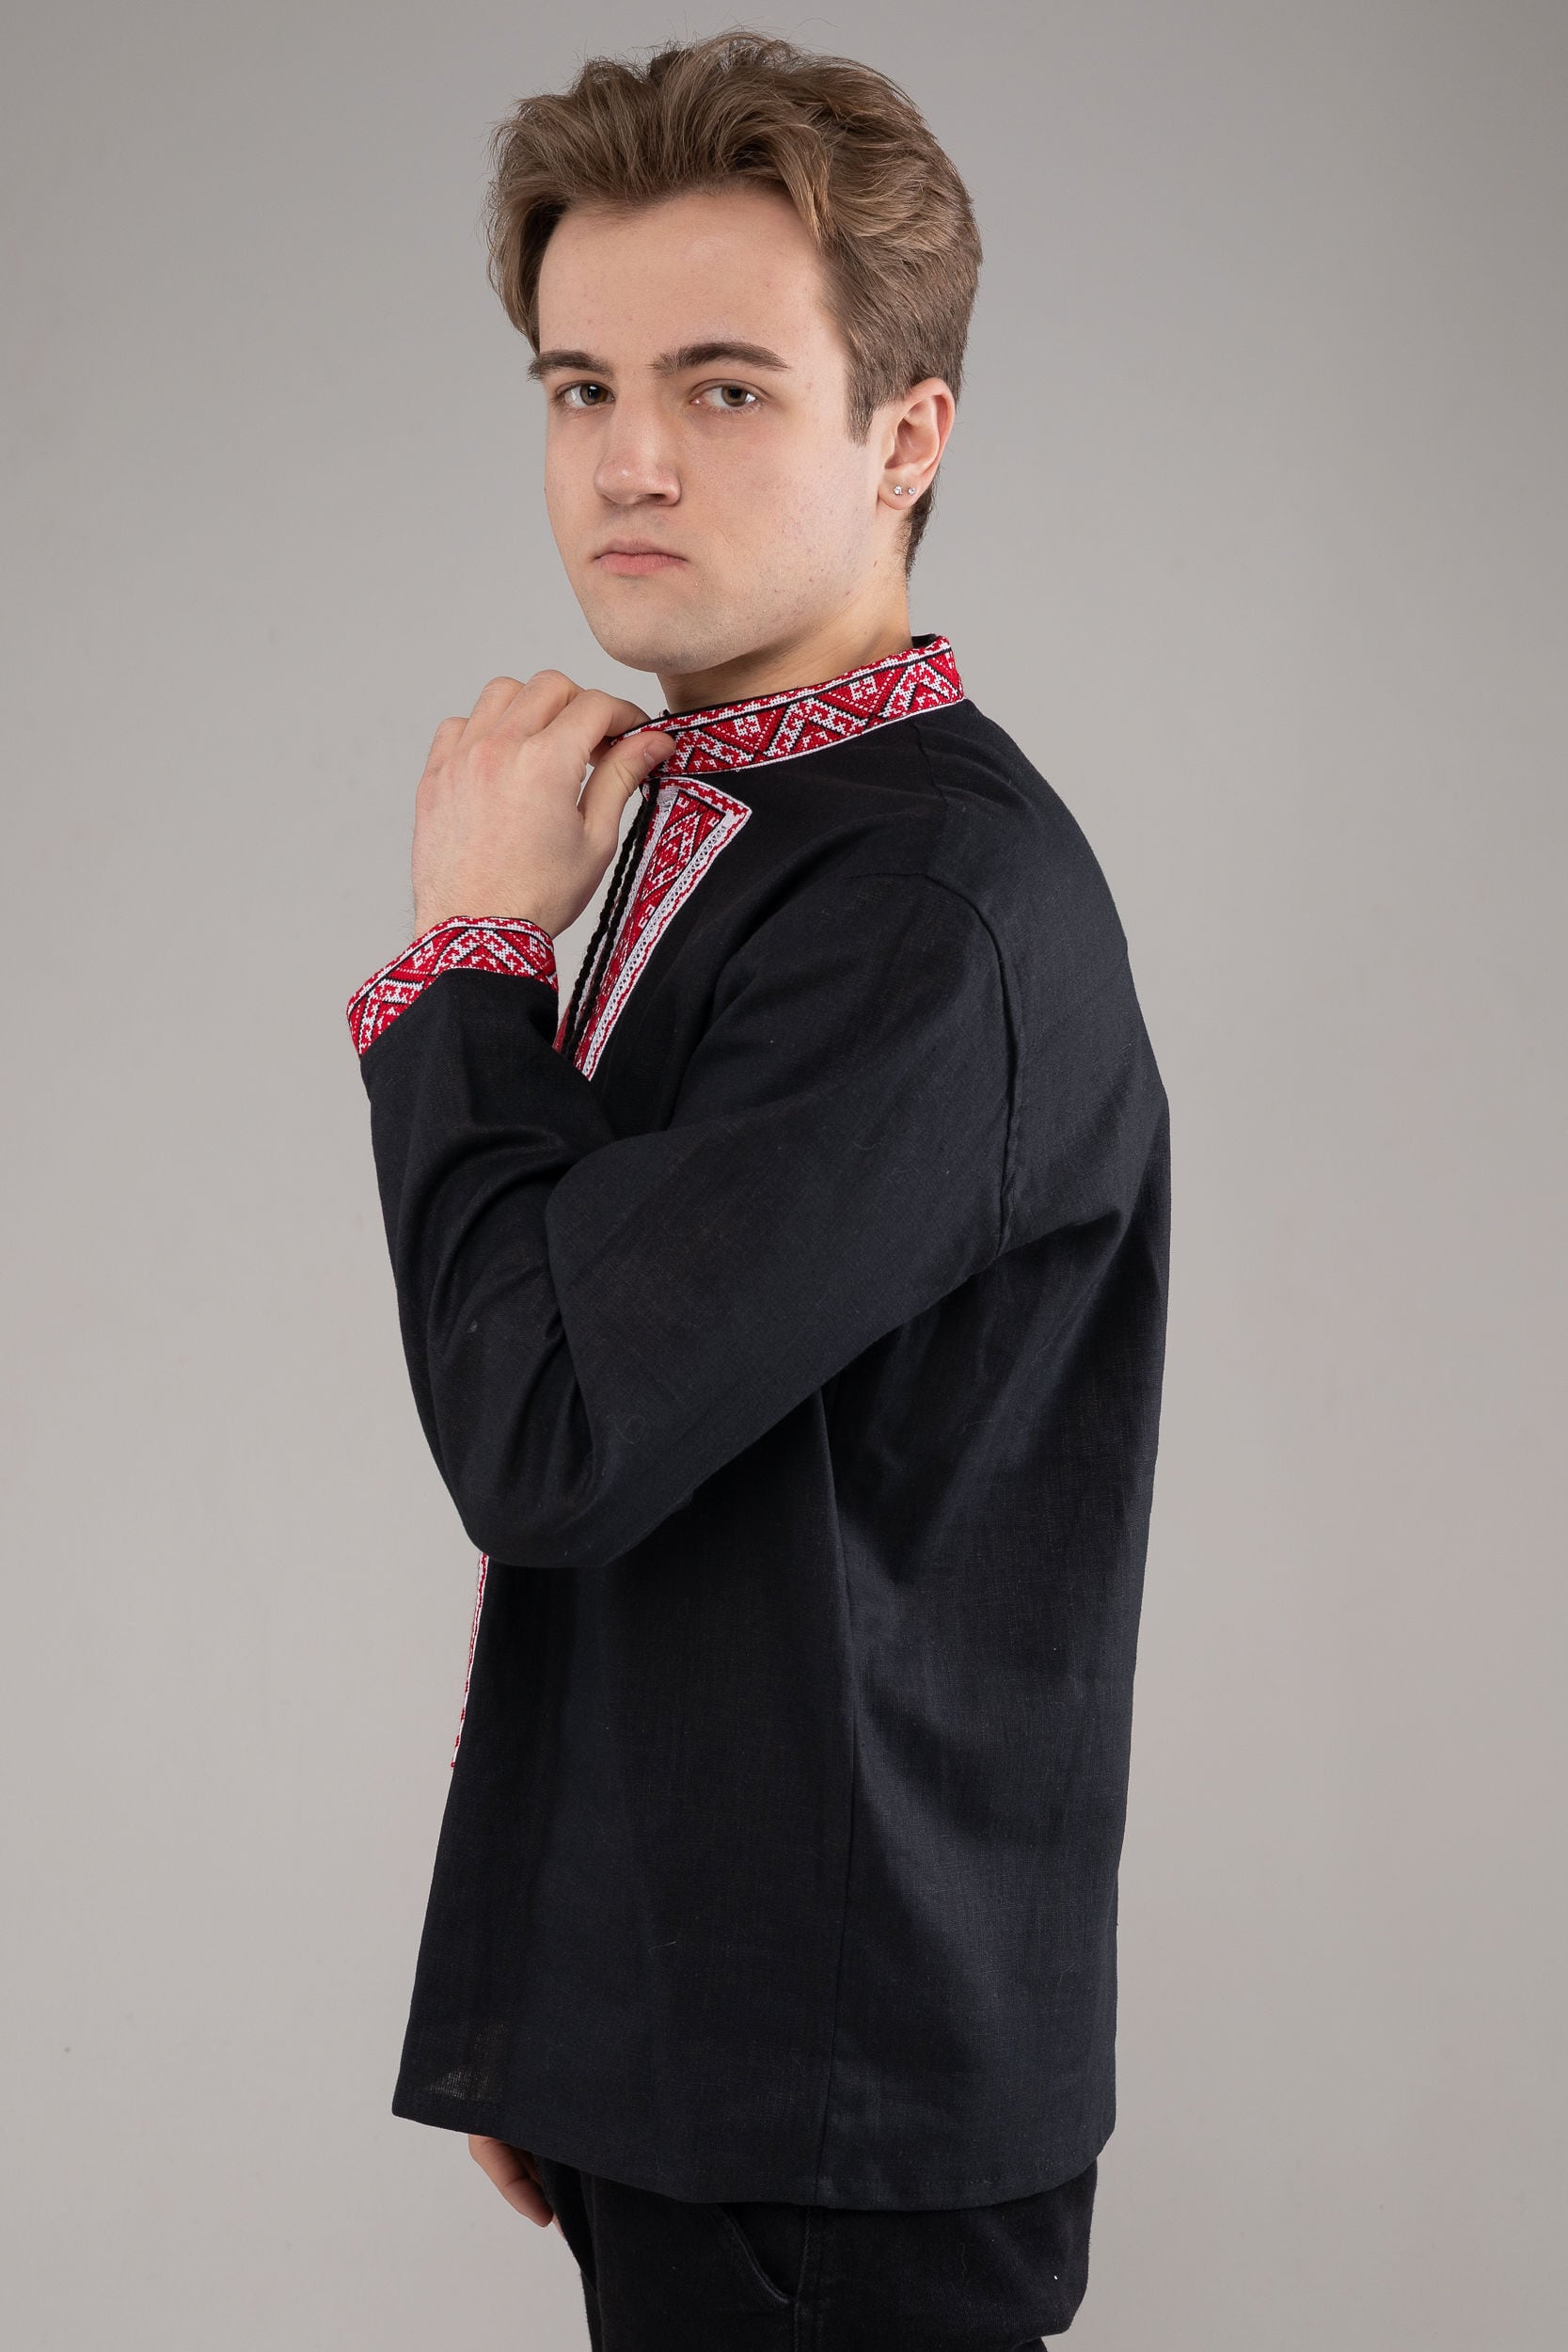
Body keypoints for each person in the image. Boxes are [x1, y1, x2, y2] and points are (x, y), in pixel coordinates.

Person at [344, 27, 1170, 2349]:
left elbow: (547, 1425)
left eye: (723, 387)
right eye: (579, 385)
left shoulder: (927, 905)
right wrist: (558, 1984)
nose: (628, 457)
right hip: (719, 2055)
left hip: (833, 2120)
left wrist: (466, 960)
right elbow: (675, 1471)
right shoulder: (743, 822)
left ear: (906, 435)